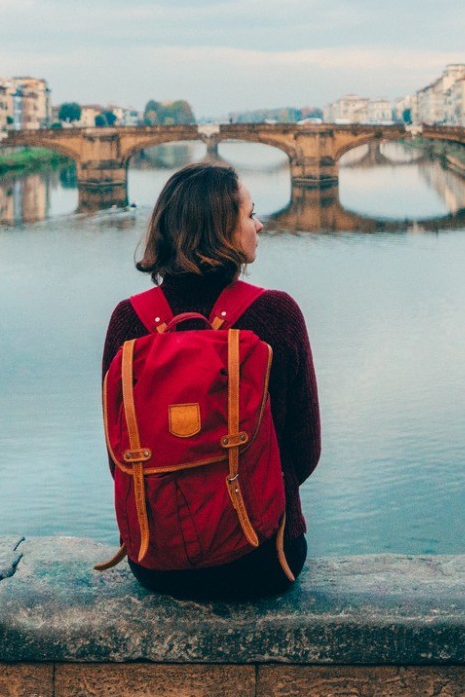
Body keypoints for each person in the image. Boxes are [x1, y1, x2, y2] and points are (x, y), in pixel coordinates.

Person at [101, 161, 322, 600]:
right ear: (223, 230)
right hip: (264, 560)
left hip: (156, 562)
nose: (259, 225)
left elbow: (118, 459)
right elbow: (305, 452)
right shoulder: (277, 314)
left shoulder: (129, 321)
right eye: (249, 215)